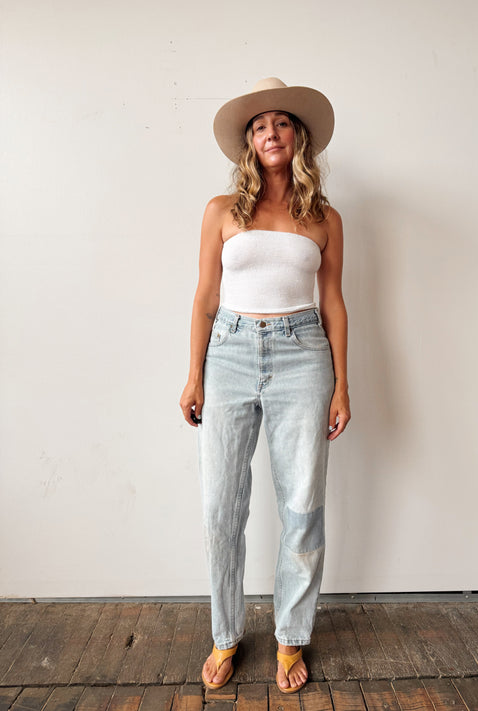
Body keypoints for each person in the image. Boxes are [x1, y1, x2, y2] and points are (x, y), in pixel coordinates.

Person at [179, 77, 350, 694]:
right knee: (220, 508)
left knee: (302, 506)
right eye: (258, 126)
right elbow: (206, 296)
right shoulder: (222, 211)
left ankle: (290, 636)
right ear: (249, 143)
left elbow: (333, 302)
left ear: (297, 136)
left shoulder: (325, 217)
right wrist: (194, 375)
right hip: (227, 353)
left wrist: (342, 384)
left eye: (280, 123)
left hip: (304, 355)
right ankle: (226, 634)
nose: (270, 133)